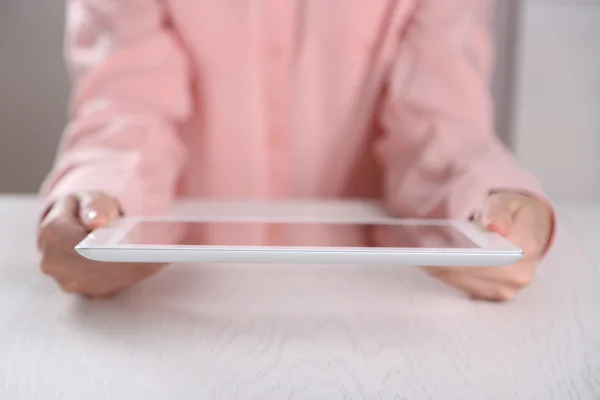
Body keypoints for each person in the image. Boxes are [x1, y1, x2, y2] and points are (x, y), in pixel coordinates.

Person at [38, 0, 555, 301]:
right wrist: (97, 202)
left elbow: (441, 120)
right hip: (179, 302)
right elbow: (127, 107)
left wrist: (490, 205)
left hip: (382, 311)